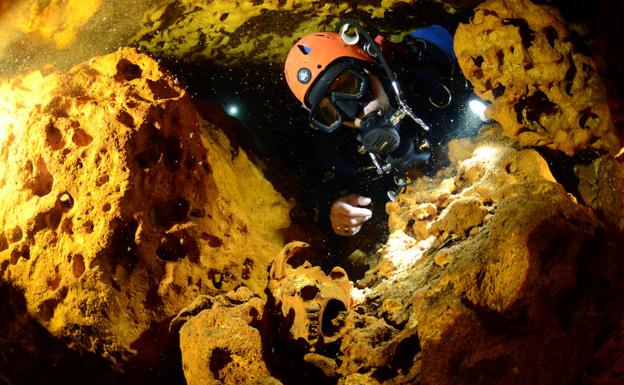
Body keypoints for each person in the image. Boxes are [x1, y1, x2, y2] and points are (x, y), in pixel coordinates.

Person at [283, 21, 479, 248]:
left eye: (348, 85)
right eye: (330, 111)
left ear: (368, 65)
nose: (354, 112)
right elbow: (325, 188)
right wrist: (335, 207)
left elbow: (464, 32)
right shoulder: (340, 150)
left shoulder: (425, 60)